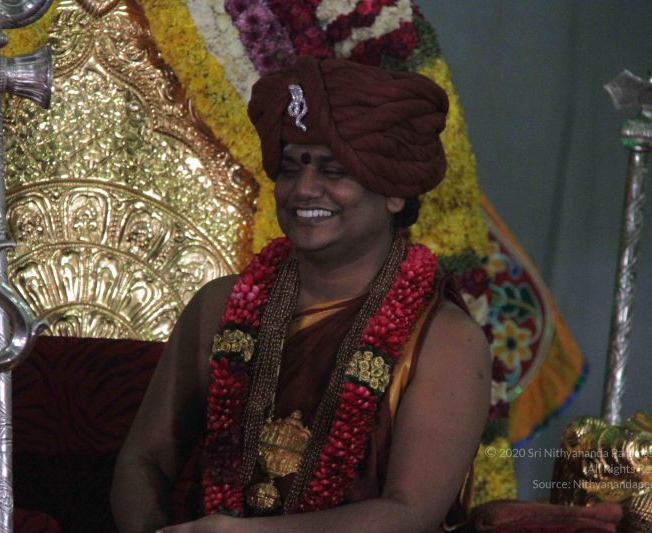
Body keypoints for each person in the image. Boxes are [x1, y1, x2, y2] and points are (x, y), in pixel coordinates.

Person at [111, 56, 491, 533]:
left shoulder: (445, 340)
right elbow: (144, 460)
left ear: (395, 192)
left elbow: (409, 513)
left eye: (333, 171)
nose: (304, 190)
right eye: (290, 170)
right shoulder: (220, 306)